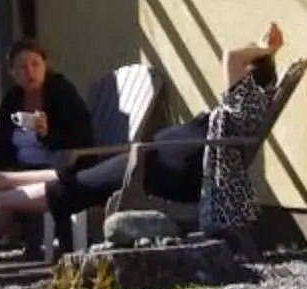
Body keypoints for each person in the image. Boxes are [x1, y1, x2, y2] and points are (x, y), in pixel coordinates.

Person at [54, 22, 285, 216]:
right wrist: (266, 55)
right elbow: (241, 63)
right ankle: (21, 185)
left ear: (248, 74)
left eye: (249, 58)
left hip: (165, 170)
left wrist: (265, 49)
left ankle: (22, 196)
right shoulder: (246, 105)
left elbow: (230, 56)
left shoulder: (243, 102)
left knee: (78, 184)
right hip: (158, 161)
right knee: (80, 179)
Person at [0, 37, 92, 255]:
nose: (30, 71)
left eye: (35, 64)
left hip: (61, 169)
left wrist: (47, 134)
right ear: (12, 72)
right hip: (21, 168)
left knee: (5, 189)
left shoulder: (62, 93)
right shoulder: (13, 99)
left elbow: (82, 140)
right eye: (22, 67)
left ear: (45, 65)